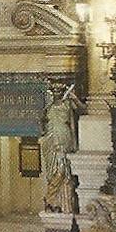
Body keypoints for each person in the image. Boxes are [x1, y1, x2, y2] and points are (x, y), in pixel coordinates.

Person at [41, 82, 81, 213]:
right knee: (53, 171)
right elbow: (42, 124)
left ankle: (53, 199)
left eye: (59, 91)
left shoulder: (67, 104)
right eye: (54, 91)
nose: (56, 93)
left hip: (65, 140)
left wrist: (74, 98)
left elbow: (83, 110)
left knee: (63, 170)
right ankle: (52, 201)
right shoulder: (48, 107)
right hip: (51, 142)